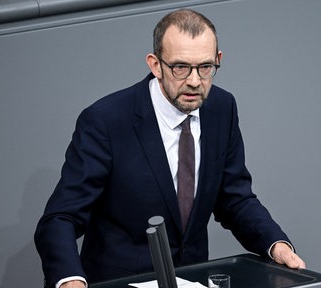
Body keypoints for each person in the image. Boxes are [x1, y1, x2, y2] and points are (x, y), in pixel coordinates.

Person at [34, 8, 306, 288]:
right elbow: (60, 218)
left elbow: (234, 198)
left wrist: (275, 244)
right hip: (121, 282)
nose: (194, 81)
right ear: (155, 65)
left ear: (218, 60)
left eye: (205, 67)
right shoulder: (106, 121)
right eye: (180, 67)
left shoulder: (222, 108)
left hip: (193, 280)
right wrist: (70, 281)